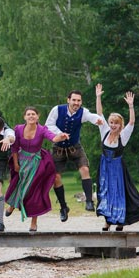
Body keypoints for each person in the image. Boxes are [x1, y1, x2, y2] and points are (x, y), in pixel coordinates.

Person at [94, 85, 139, 231]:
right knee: (105, 192)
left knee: (119, 193)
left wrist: (131, 106)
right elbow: (99, 113)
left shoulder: (124, 135)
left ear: (120, 125)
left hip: (117, 168)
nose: (113, 125)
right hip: (104, 167)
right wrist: (98, 97)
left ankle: (120, 220)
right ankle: (107, 222)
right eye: (111, 122)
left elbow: (132, 122)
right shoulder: (104, 131)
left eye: (116, 123)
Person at [46, 90, 104, 221]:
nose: (76, 103)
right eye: (74, 100)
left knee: (85, 169)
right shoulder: (57, 110)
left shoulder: (83, 112)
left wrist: (98, 121)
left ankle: (89, 201)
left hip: (74, 147)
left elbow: (91, 117)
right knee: (55, 177)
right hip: (58, 148)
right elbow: (48, 125)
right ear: (68, 100)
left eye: (79, 101)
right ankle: (63, 207)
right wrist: (60, 134)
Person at [5, 107, 66, 232]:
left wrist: (60, 137)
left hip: (36, 163)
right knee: (17, 185)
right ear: (25, 117)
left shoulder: (42, 129)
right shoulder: (18, 129)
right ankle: (12, 205)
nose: (31, 116)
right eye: (28, 114)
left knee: (35, 192)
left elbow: (52, 137)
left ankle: (34, 222)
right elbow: (15, 148)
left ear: (38, 117)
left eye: (33, 114)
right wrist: (16, 164)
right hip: (22, 161)